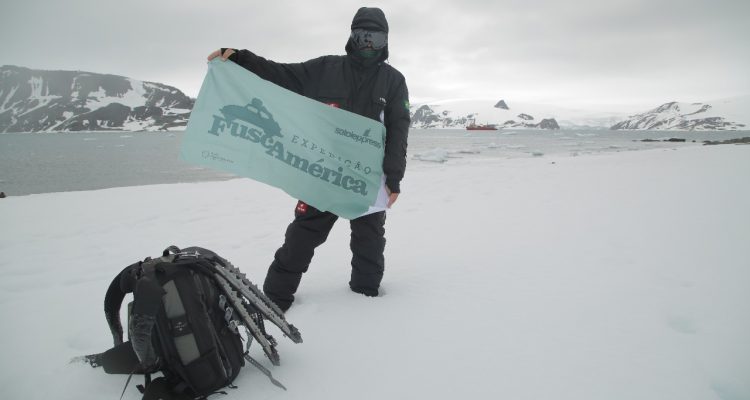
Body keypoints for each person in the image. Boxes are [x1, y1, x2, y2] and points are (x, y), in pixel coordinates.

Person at [208, 7, 410, 311]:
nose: (369, 44)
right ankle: (274, 301)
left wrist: (393, 178)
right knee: (301, 238)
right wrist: (240, 58)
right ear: (352, 36)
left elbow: (398, 130)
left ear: (386, 40)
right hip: (322, 174)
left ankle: (366, 301)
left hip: (366, 178)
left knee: (369, 241)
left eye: (376, 38)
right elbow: (281, 74)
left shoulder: (393, 81)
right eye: (362, 36)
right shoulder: (325, 68)